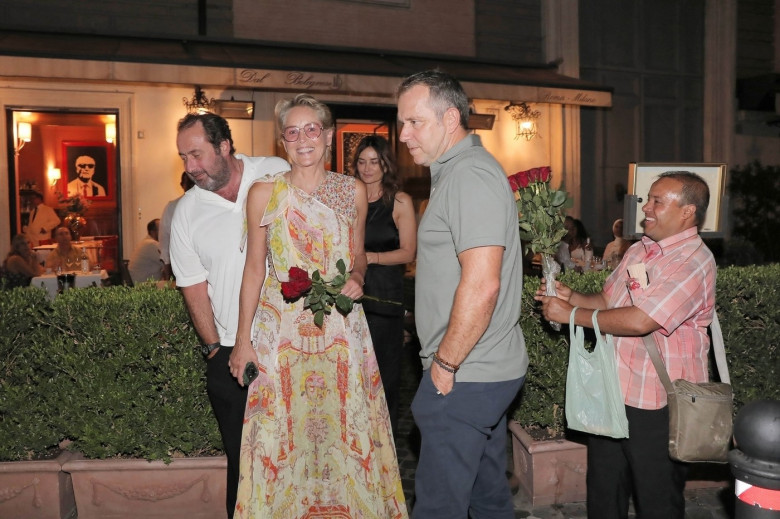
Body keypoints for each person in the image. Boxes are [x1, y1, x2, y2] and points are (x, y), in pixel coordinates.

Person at [229, 94, 407, 517]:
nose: (303, 139)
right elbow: (254, 270)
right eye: (293, 131)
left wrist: (358, 276)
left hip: (341, 326)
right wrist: (242, 342)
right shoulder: (263, 194)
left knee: (344, 426)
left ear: (328, 136)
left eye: (312, 129)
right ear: (282, 142)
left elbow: (358, 253)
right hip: (280, 330)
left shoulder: (353, 192)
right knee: (278, 432)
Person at [536, 171, 715, 519]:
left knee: (657, 501)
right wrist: (570, 296)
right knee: (604, 493)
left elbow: (640, 320)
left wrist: (571, 314)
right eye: (648, 199)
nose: (645, 207)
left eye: (657, 201)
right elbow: (607, 300)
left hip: (659, 404)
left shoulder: (693, 261)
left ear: (687, 211)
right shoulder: (639, 251)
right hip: (614, 391)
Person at [396, 70, 528, 517]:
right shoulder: (455, 173)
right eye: (401, 122)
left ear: (450, 118)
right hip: (477, 370)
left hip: (468, 371)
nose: (403, 134)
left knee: (437, 506)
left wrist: (445, 366)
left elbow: (483, 282)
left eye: (414, 122)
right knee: (486, 496)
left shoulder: (470, 176)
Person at [170, 112, 289, 519]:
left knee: (296, 460)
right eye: (184, 157)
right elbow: (191, 284)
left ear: (224, 147)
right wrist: (213, 350)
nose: (190, 167)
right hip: (232, 357)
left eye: (197, 155)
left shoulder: (274, 173)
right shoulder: (187, 211)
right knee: (244, 469)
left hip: (290, 347)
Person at [351, 134, 417, 436]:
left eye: (374, 162)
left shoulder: (400, 201)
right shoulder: (348, 196)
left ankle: (383, 438)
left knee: (383, 369)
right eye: (362, 162)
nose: (367, 168)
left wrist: (371, 256)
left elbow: (409, 252)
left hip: (384, 293)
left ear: (385, 165)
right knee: (354, 368)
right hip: (351, 291)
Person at [159, 172, 195, 280]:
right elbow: (165, 237)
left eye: (192, 183)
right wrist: (167, 264)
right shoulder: (173, 206)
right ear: (182, 185)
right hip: (180, 261)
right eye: (187, 183)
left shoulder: (206, 205)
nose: (190, 186)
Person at [128, 218, 163, 284]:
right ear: (153, 232)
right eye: (161, 230)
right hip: (147, 286)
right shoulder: (151, 244)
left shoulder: (145, 243)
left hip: (143, 284)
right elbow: (169, 263)